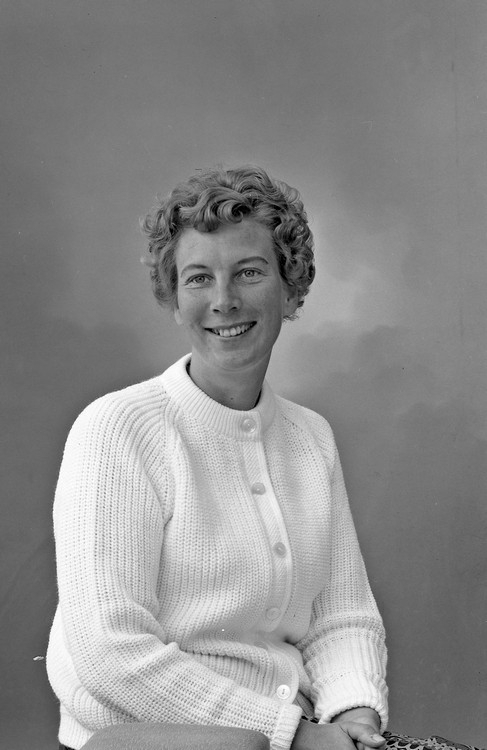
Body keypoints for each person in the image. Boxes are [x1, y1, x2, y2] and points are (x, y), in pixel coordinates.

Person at [46, 166, 483, 750]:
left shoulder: (311, 438)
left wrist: (355, 717)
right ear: (174, 299)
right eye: (198, 279)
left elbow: (342, 617)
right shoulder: (118, 429)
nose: (223, 301)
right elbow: (110, 654)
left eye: (248, 272)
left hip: (299, 736)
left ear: (290, 288)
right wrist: (291, 736)